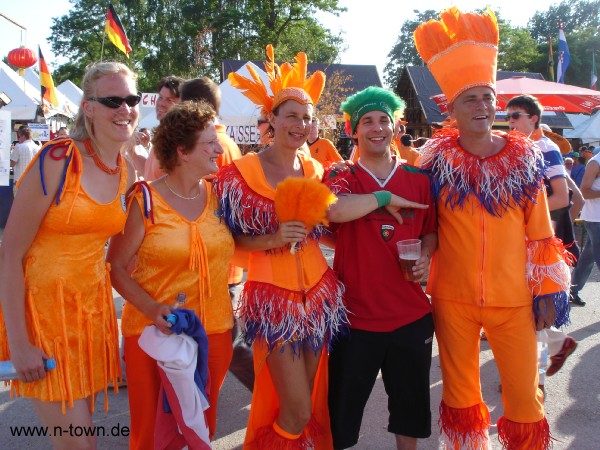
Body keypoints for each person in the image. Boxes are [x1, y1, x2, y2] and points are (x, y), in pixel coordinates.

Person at [413, 8, 572, 449]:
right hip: (452, 298)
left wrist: (546, 292)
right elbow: (423, 220)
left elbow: (541, 232)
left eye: (487, 97)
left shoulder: (524, 158)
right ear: (452, 108)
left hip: (514, 300)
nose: (483, 107)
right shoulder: (435, 160)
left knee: (523, 395)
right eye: (471, 100)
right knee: (461, 393)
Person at [0, 61, 138, 449]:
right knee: (80, 443)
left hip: (92, 316)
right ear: (88, 108)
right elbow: (9, 255)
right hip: (45, 319)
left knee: (78, 437)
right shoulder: (58, 160)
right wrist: (20, 340)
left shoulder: (124, 169)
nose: (124, 108)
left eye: (130, 99)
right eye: (113, 100)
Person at [107, 101, 234, 447]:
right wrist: (151, 309)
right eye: (209, 143)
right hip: (153, 335)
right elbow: (116, 268)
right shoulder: (145, 200)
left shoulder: (220, 196)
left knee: (199, 430)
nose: (218, 149)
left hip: (215, 333)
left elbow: (246, 243)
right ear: (182, 151)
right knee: (152, 436)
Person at [326, 87, 436, 450]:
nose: (376, 127)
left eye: (383, 120)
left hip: (410, 315)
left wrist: (424, 252)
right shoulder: (340, 177)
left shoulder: (419, 180)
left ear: (395, 126)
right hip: (353, 318)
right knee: (342, 413)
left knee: (410, 408)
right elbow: (333, 212)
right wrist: (381, 200)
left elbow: (432, 230)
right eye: (367, 121)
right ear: (353, 130)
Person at [180, 76, 253, 390]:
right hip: (219, 260)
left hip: (213, 262)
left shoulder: (212, 144)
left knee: (225, 338)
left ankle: (271, 394)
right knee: (219, 336)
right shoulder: (226, 142)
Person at [570, 149, 600, 305]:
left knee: (588, 258)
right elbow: (584, 192)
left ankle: (572, 290)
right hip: (595, 219)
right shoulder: (595, 162)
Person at [144, 75, 185, 181]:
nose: (161, 103)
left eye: (169, 100)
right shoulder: (163, 134)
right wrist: (133, 151)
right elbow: (152, 173)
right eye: (161, 97)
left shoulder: (183, 139)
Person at [10, 126, 40, 195]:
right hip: (33, 181)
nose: (19, 139)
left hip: (20, 181)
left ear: (23, 136)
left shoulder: (19, 147)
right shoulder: (38, 147)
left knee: (18, 204)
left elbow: (12, 164)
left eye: (19, 137)